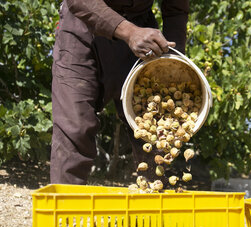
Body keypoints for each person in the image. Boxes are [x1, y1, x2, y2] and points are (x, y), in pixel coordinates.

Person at [50, 0, 189, 184]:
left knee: (155, 131)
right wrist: (129, 32)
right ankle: (65, 209)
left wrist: (174, 58)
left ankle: (153, 208)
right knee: (75, 127)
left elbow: (176, 9)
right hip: (81, 28)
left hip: (141, 33)